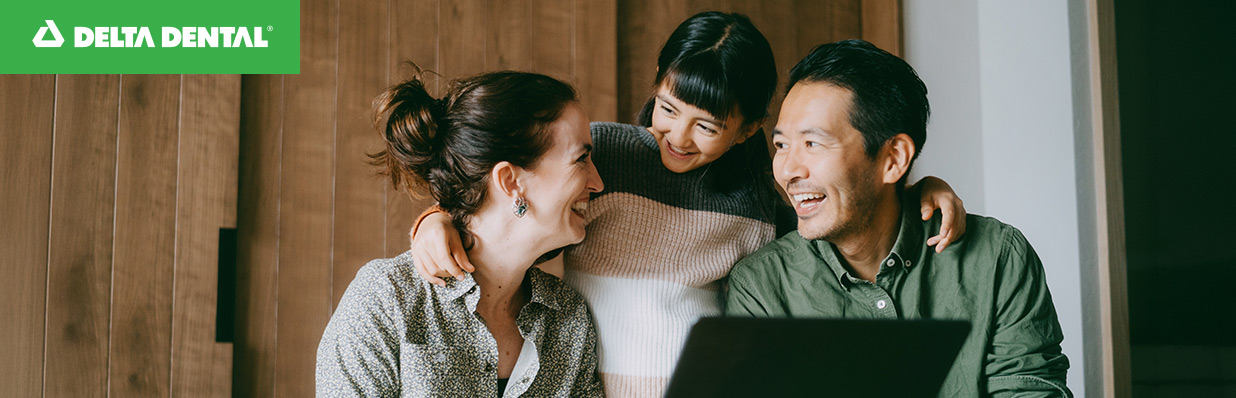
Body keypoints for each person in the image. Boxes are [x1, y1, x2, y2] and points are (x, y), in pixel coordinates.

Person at [410, 12, 968, 397]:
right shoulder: (604, 158)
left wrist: (917, 188)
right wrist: (434, 219)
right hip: (588, 386)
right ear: (656, 84)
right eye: (668, 107)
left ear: (748, 130)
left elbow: (835, 223)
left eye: (707, 126)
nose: (678, 136)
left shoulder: (756, 196)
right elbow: (504, 193)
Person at [725, 39, 1071, 397]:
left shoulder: (997, 258)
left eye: (813, 144)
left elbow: (1029, 389)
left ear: (893, 158)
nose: (788, 170)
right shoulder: (763, 287)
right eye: (781, 145)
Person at [316, 69, 605, 397]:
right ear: (510, 181)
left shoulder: (569, 320)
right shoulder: (387, 300)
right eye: (581, 159)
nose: (598, 183)